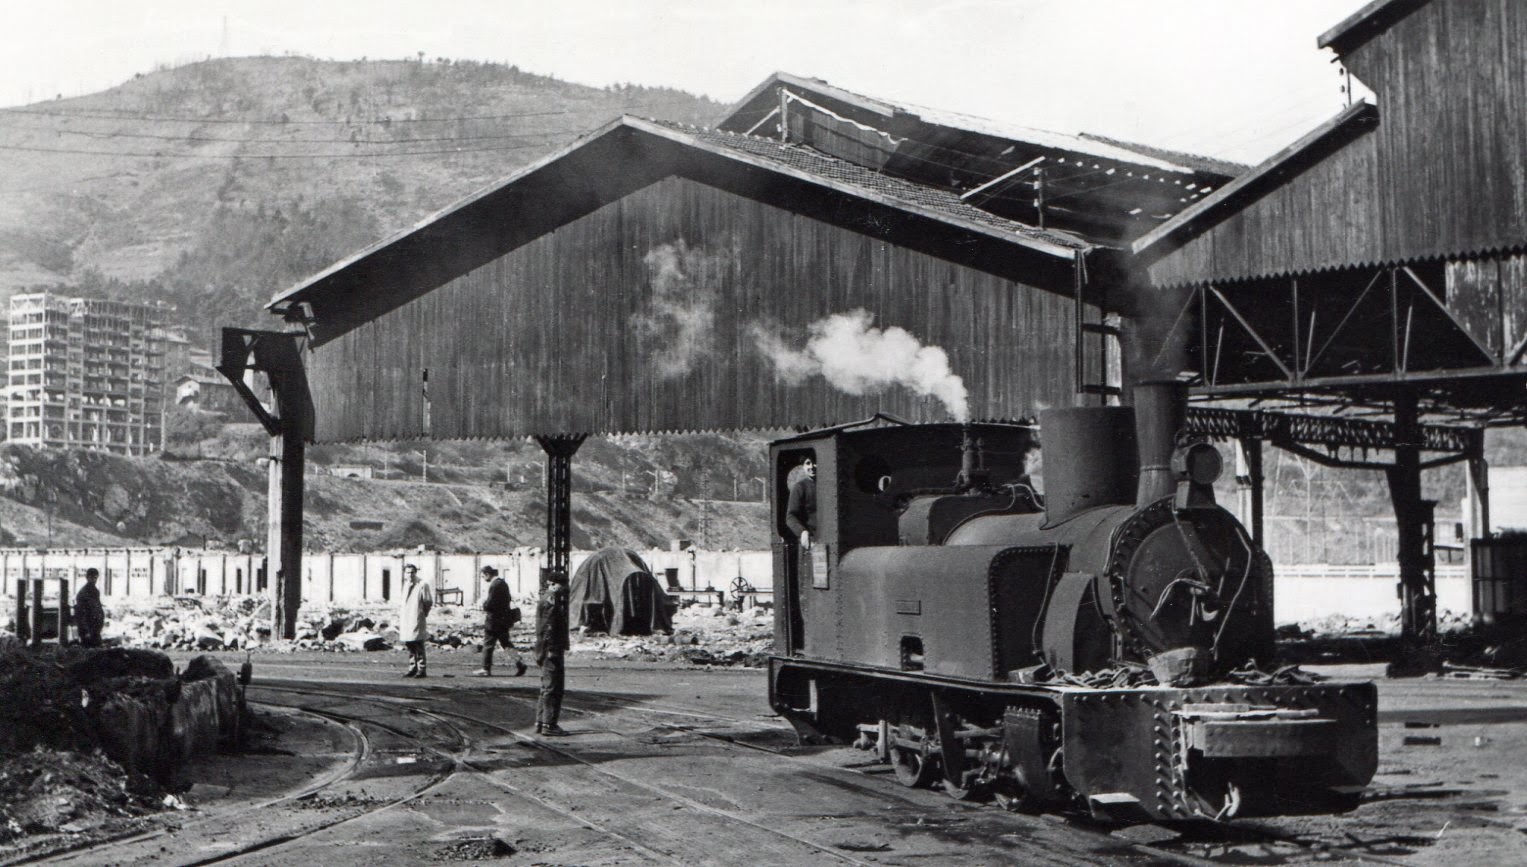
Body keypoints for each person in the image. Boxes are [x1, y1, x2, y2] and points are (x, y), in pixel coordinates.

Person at [473, 565, 527, 677]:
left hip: (494, 620)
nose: (483, 579)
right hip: (503, 619)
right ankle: (519, 663)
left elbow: (490, 603)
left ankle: (485, 668)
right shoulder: (503, 583)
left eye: (483, 576)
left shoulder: (495, 585)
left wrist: (483, 605)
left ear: (488, 574)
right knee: (505, 643)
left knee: (488, 644)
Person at [534, 570, 570, 735]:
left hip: (547, 649)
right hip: (551, 650)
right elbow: (548, 627)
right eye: (563, 585)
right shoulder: (550, 601)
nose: (565, 588)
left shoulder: (547, 599)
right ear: (554, 584)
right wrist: (551, 650)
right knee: (553, 687)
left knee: (547, 687)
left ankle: (541, 722)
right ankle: (549, 724)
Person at [399, 564, 434, 678]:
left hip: (416, 616)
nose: (410, 575)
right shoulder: (405, 585)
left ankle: (421, 668)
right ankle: (412, 667)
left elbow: (428, 601)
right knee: (409, 643)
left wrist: (424, 613)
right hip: (406, 617)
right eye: (408, 572)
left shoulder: (422, 584)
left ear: (416, 573)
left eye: (412, 572)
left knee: (418, 642)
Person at [785, 456, 817, 547]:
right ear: (803, 466)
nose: (811, 466)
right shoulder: (799, 487)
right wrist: (802, 532)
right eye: (808, 463)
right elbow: (790, 516)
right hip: (811, 539)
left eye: (815, 462)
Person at [74, 567, 105, 648]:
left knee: (96, 650)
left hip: (94, 626)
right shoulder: (84, 592)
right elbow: (81, 613)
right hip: (87, 627)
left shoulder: (95, 591)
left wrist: (100, 621)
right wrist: (86, 629)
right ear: (87, 577)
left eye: (95, 577)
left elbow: (97, 607)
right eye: (91, 577)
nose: (94, 580)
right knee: (89, 650)